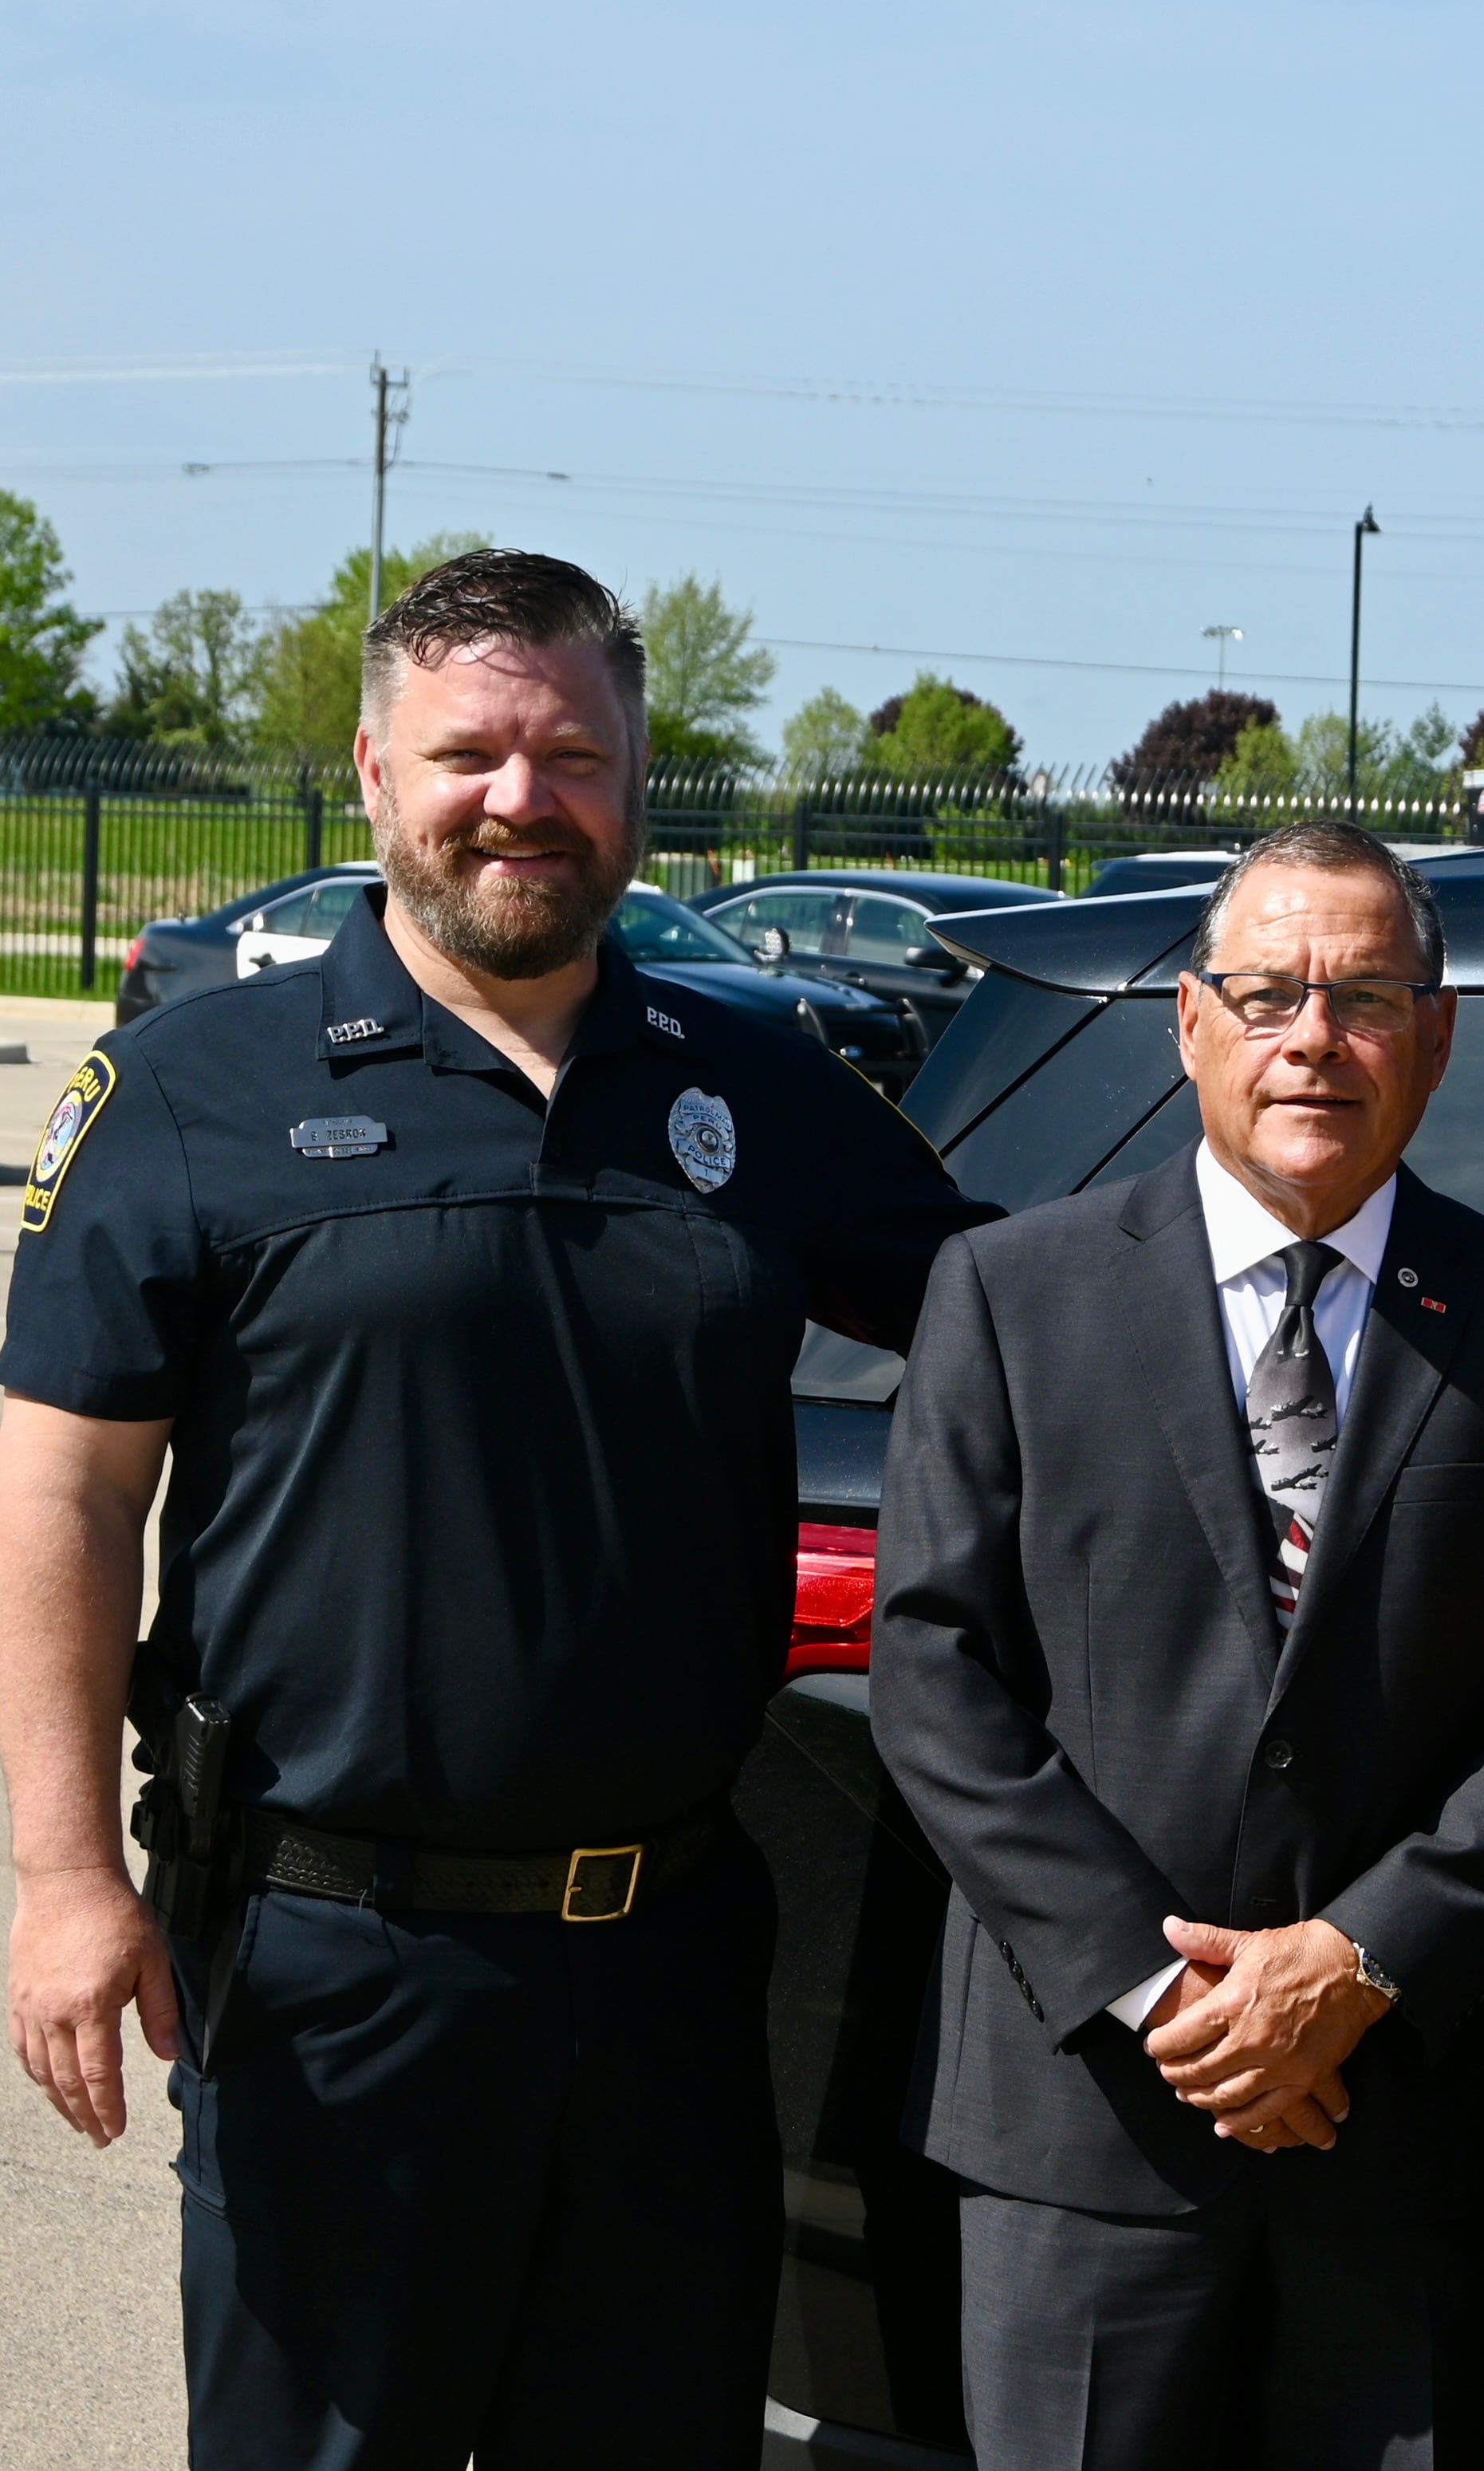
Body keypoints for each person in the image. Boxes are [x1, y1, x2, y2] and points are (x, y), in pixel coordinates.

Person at [0, 549, 991, 2469]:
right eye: (471, 753)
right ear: (373, 769)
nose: (520, 798)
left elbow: (1028, 1316)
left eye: (573, 754)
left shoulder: (756, 1089)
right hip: (331, 1961)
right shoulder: (194, 1089)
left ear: (635, 782)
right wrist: (59, 1881)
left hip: (671, 1953)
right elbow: (63, 1488)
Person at [871, 821, 1484, 2471]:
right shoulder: (1008, 1294)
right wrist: (1163, 1990)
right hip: (1085, 2122)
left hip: (1404, 2114)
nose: (1313, 1036)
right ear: (1192, 1021)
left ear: (1435, 1034)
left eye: (1363, 997)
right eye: (1270, 990)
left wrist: (1357, 1960)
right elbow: (934, 1672)